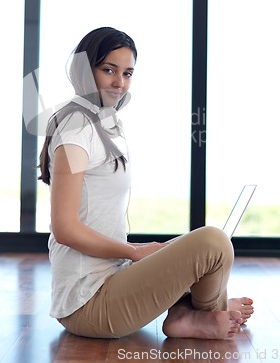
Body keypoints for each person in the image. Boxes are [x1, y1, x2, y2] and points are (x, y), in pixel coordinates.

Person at [38, 27, 254, 339]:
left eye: (127, 73)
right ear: (85, 70)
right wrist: (134, 251)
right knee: (213, 243)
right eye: (108, 70)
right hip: (88, 305)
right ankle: (207, 312)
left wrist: (141, 251)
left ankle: (187, 316)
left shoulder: (105, 122)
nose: (119, 83)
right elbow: (64, 228)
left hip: (115, 277)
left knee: (197, 246)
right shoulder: (75, 127)